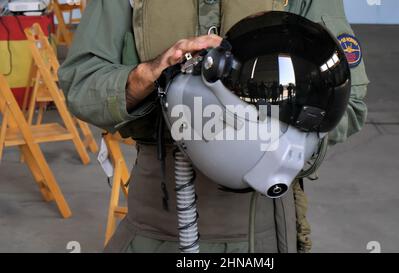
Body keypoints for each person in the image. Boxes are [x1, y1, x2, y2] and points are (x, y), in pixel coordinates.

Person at [58, 0, 369, 253]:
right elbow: (81, 81)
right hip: (155, 217)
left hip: (259, 224)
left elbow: (348, 102)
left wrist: (283, 147)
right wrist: (148, 75)